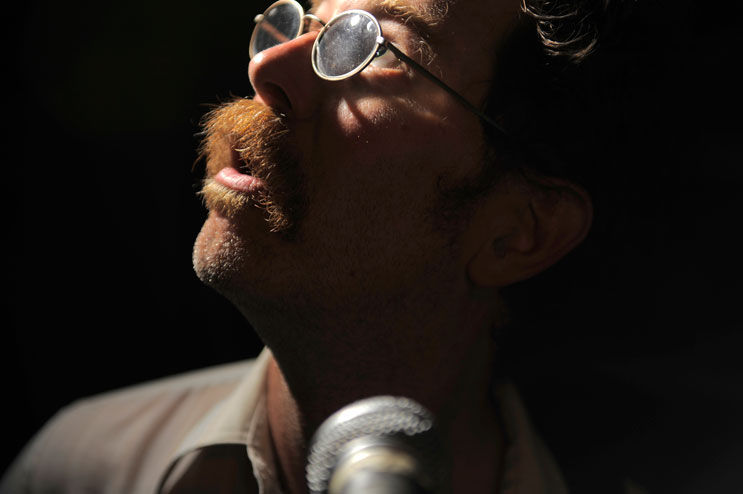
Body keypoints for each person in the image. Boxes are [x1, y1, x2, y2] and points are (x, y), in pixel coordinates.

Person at [4, 0, 718, 492]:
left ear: (516, 233)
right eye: (300, 19)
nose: (268, 69)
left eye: (370, 45)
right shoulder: (80, 467)